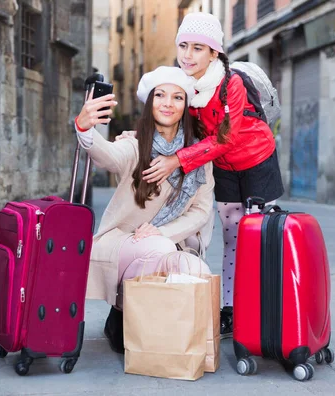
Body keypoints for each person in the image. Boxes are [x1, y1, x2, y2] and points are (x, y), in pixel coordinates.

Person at [122, 13, 285, 339]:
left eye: (198, 48)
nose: (187, 55)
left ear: (214, 54)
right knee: (232, 238)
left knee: (262, 238)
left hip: (257, 160)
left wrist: (177, 161)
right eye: (183, 46)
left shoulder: (230, 83)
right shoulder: (183, 87)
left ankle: (266, 309)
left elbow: (226, 137)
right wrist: (135, 137)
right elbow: (172, 125)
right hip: (222, 168)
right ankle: (228, 309)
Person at [74, 66, 215, 354]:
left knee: (195, 268)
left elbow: (201, 211)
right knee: (160, 251)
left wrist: (161, 232)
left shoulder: (199, 155)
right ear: (149, 102)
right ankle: (125, 312)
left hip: (167, 241)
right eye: (160, 95)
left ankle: (170, 340)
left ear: (186, 106)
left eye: (177, 97)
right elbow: (108, 156)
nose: (167, 103)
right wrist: (85, 127)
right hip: (125, 241)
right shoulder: (135, 144)